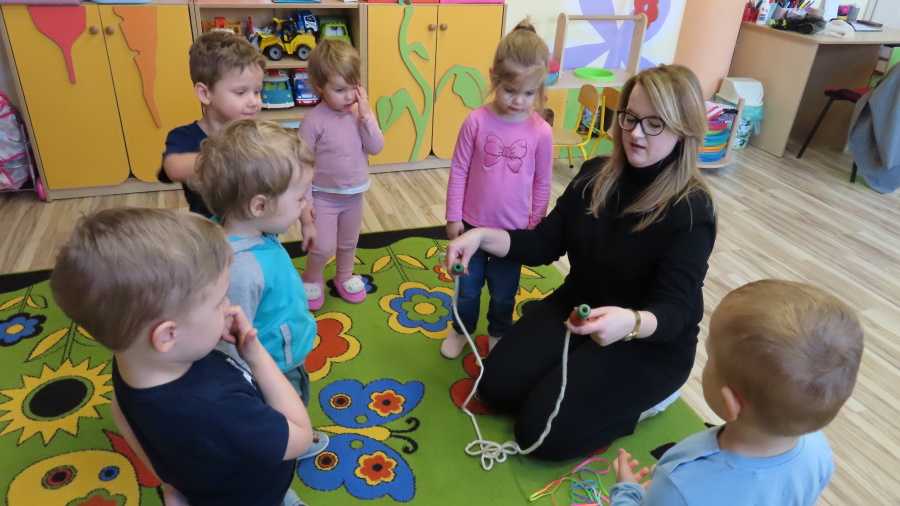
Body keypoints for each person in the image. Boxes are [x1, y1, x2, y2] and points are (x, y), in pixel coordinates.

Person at [445, 64, 716, 461]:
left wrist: (630, 322)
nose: (636, 133)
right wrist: (481, 235)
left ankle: (650, 401)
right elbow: (543, 243)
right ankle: (575, 370)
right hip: (578, 309)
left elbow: (676, 309)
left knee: (540, 435)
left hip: (645, 341)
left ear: (684, 129)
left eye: (655, 123)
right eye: (630, 117)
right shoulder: (596, 175)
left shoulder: (690, 209)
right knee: (495, 387)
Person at [49, 208, 315, 506]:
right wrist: (256, 356)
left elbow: (121, 414)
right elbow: (301, 436)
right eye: (218, 301)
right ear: (167, 336)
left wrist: (168, 481)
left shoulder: (130, 362)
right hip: (256, 495)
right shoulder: (217, 408)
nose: (230, 306)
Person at [609, 279, 864, 505]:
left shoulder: (679, 484)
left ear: (730, 402)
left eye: (710, 356)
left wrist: (627, 491)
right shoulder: (818, 449)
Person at [192, 121, 328, 456]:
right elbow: (231, 341)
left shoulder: (250, 229)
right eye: (299, 198)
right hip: (272, 365)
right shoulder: (240, 270)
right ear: (259, 206)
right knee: (283, 412)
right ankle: (286, 448)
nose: (304, 206)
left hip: (278, 349)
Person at [440, 18, 553, 360]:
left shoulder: (541, 132)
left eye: (529, 93)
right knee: (467, 288)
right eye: (510, 90)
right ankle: (461, 329)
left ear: (540, 87)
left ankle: (499, 331)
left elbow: (542, 181)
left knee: (504, 293)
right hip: (471, 224)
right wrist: (453, 216)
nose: (518, 101)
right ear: (493, 78)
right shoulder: (475, 121)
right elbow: (459, 169)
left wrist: (534, 224)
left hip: (513, 232)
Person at [299, 39, 384, 310]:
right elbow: (302, 166)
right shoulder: (312, 121)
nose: (349, 96)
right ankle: (312, 277)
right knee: (323, 246)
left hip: (354, 195)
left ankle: (344, 276)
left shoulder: (360, 113)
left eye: (353, 87)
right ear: (319, 86)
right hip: (323, 197)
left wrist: (367, 117)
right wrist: (306, 203)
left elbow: (376, 147)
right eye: (339, 90)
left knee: (348, 242)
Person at [157, 30, 266, 218]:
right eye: (240, 92)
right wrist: (233, 160)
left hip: (257, 228)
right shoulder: (184, 136)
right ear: (205, 94)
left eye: (257, 92)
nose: (254, 102)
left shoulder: (258, 134)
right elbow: (173, 167)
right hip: (210, 230)